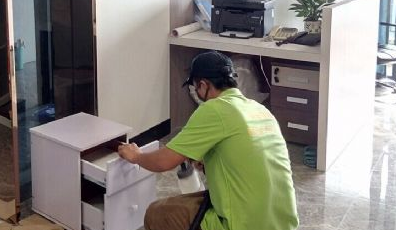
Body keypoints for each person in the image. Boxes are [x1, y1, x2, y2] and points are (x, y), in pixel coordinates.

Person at [118, 50, 299, 230]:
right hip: (282, 224)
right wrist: (209, 162)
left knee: (157, 214)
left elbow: (163, 162)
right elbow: (248, 157)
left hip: (243, 225)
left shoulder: (214, 109)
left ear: (203, 85)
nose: (197, 93)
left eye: (196, 87)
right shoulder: (260, 110)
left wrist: (136, 156)